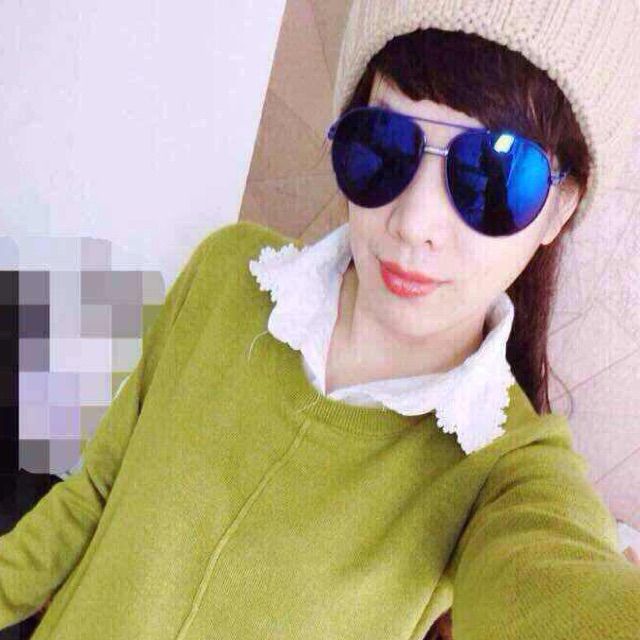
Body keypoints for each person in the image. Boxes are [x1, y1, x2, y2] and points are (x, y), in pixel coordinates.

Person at [1, 1, 640, 639]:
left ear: (559, 208)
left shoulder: (504, 471)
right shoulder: (227, 275)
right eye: (384, 144)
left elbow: (563, 592)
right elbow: (95, 494)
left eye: (492, 174)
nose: (413, 223)